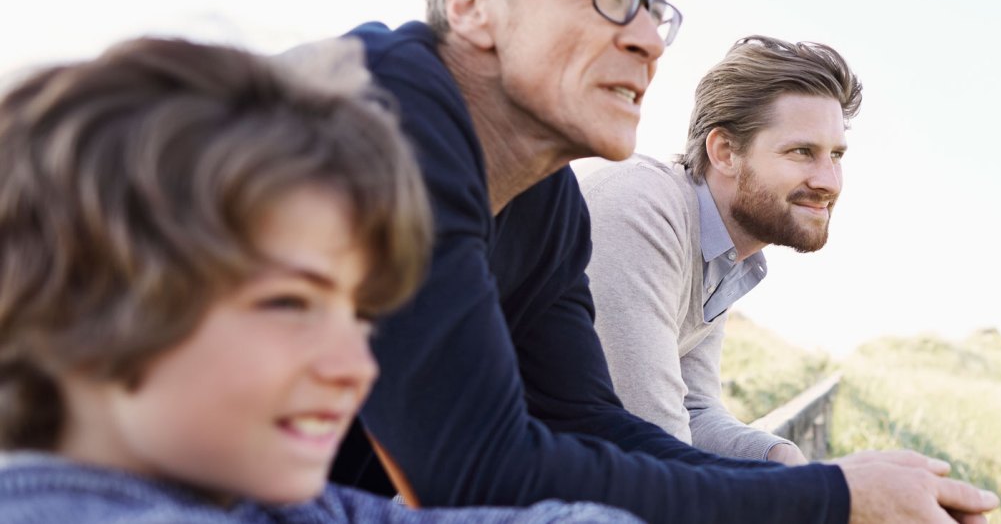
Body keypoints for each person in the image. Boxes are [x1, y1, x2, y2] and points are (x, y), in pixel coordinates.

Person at [325, 0, 1000, 522]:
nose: (649, 41)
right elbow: (477, 469)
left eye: (656, 12)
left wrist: (814, 482)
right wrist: (832, 496)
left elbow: (589, 419)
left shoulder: (548, 201)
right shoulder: (389, 118)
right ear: (473, 4)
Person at [0, 37, 641, 524]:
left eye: (360, 316)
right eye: (289, 303)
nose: (356, 369)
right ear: (83, 300)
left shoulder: (242, 490)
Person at [577, 36, 860, 466]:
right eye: (802, 152)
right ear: (725, 152)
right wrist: (823, 496)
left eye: (835, 155)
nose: (829, 181)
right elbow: (654, 443)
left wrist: (779, 457)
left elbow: (694, 410)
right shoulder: (641, 212)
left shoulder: (722, 252)